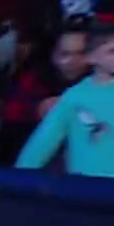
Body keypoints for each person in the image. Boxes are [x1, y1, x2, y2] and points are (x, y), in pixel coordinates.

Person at [16, 23, 114, 179]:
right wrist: (19, 179)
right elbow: (43, 142)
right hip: (84, 187)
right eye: (112, 52)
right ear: (91, 57)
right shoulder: (74, 96)